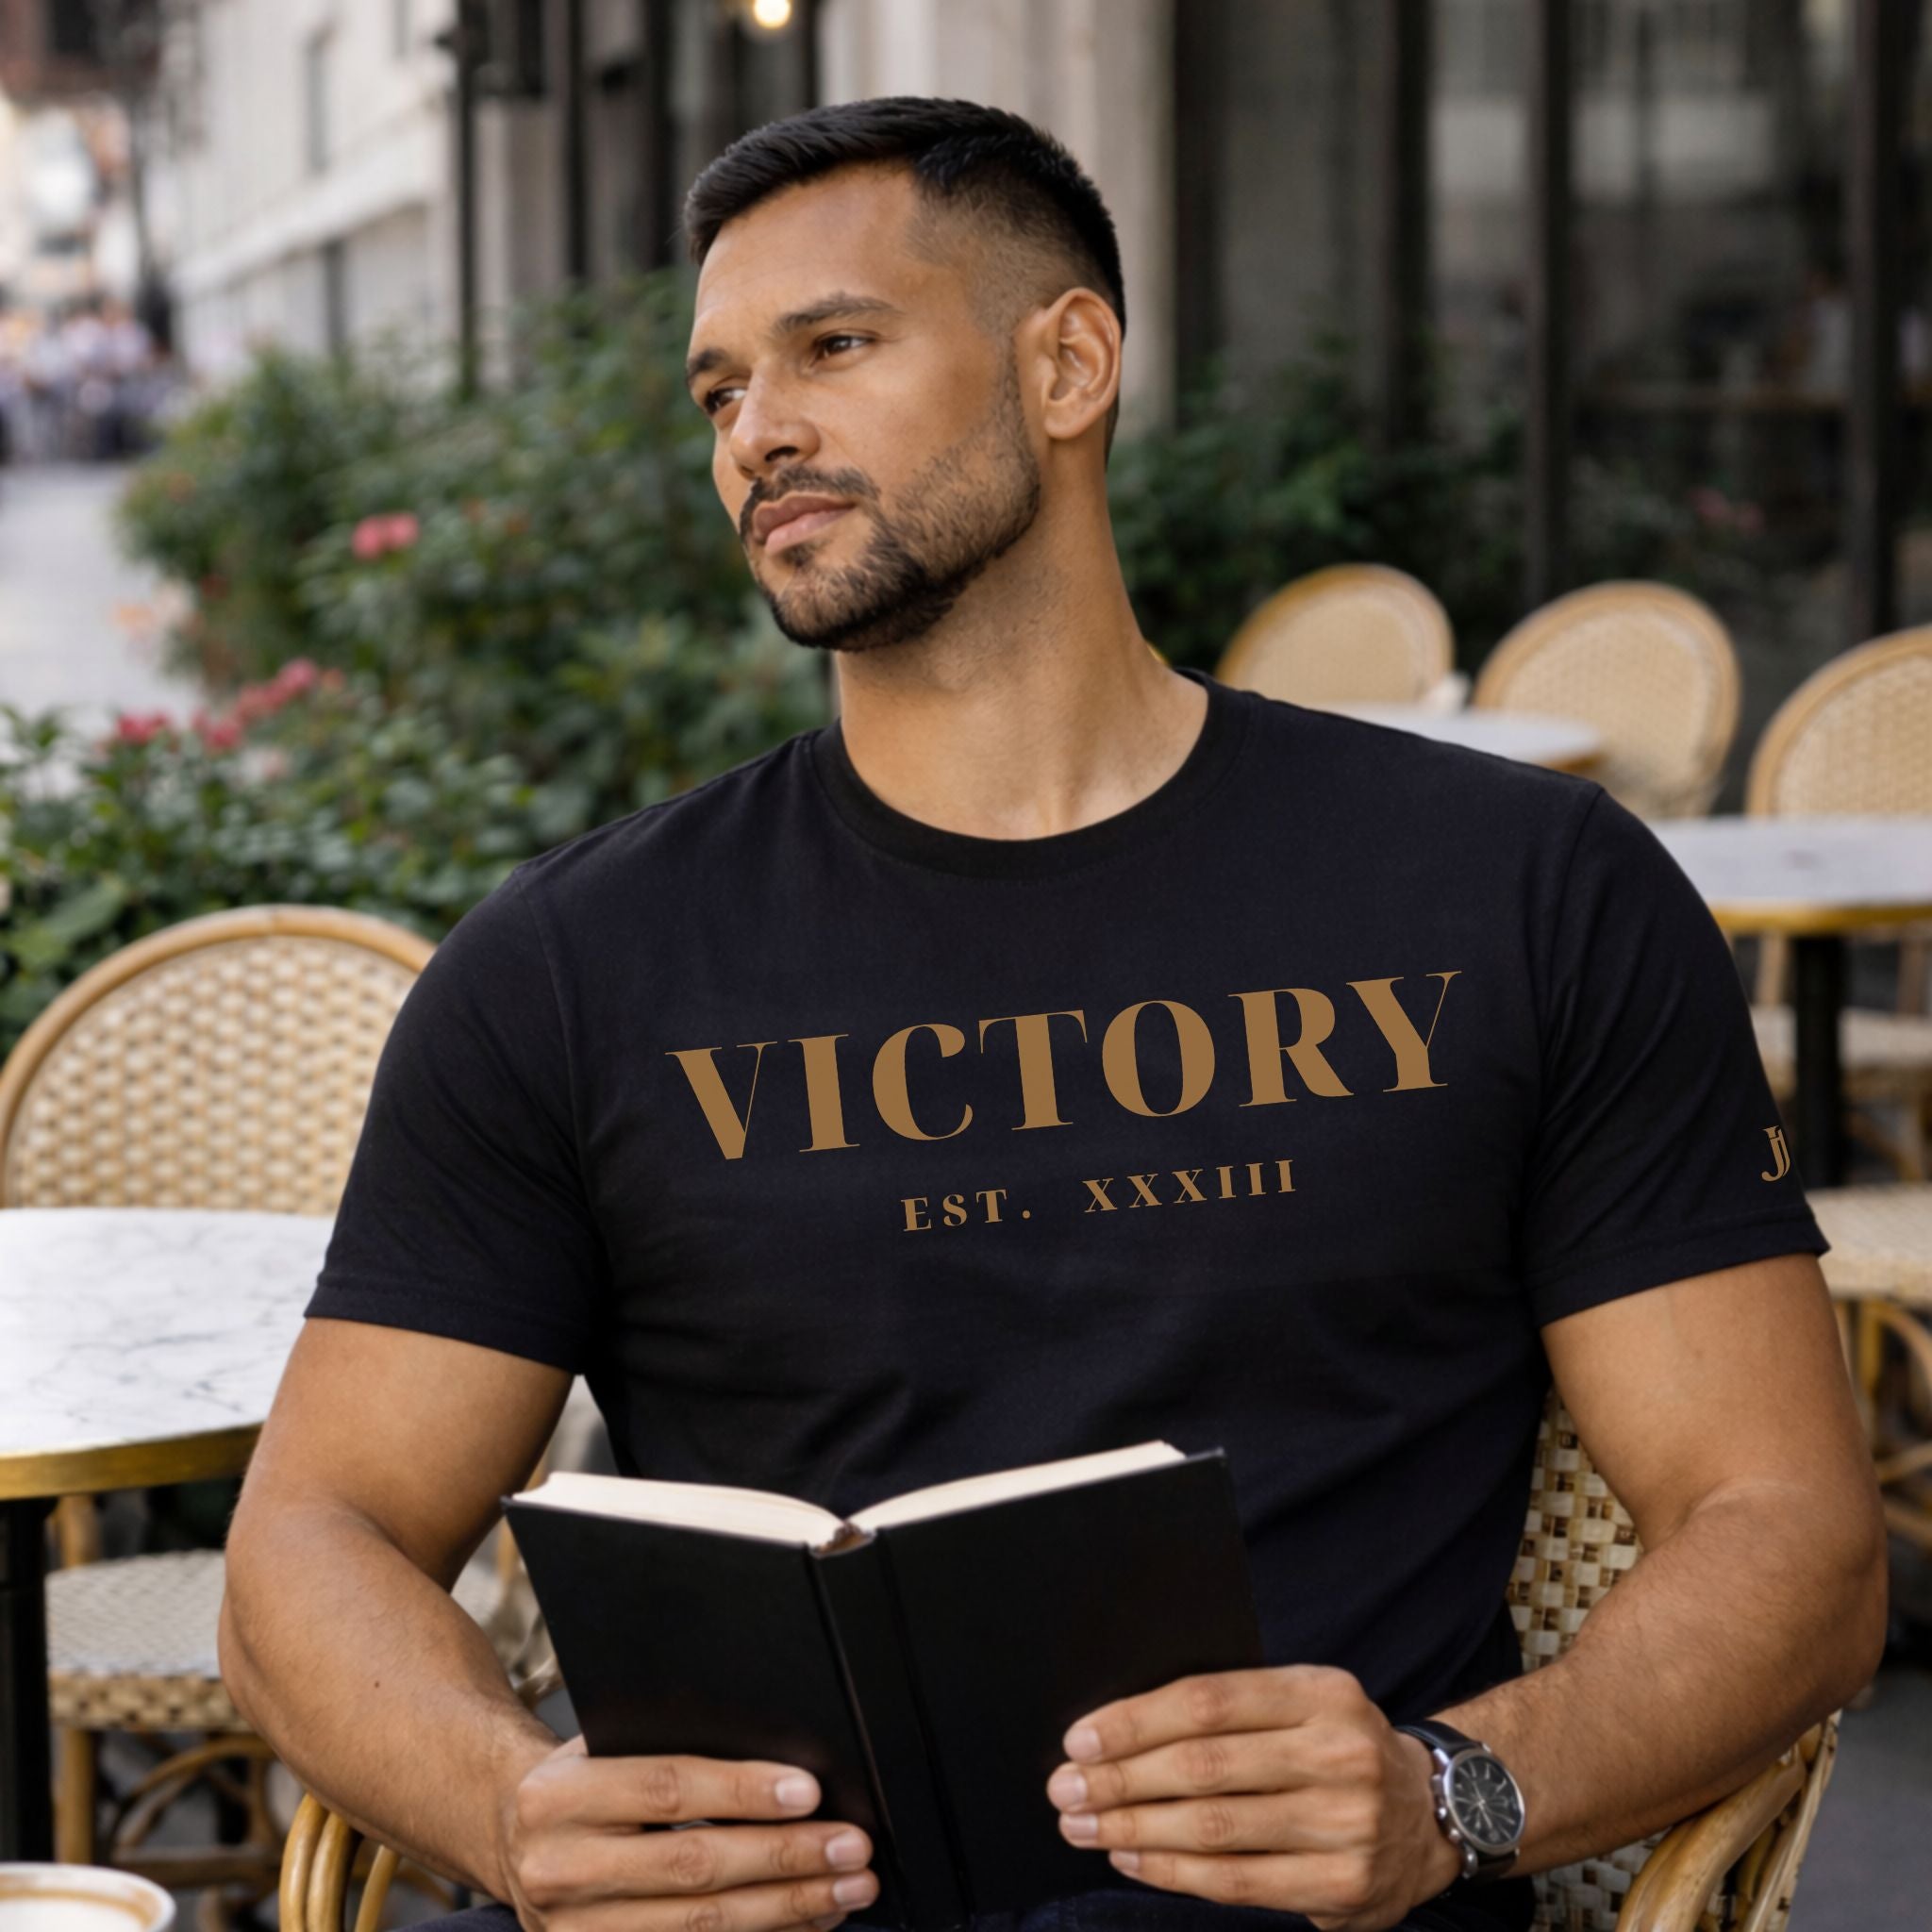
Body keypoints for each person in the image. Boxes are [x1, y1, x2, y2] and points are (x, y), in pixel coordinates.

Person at [219, 97, 1885, 1932]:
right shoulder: (571, 967)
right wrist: (511, 1806)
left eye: (833, 347)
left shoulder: (1517, 890)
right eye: (719, 390)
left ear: (1069, 363)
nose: (758, 430)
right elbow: (313, 1538)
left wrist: (1454, 1790)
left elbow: (1789, 1533)